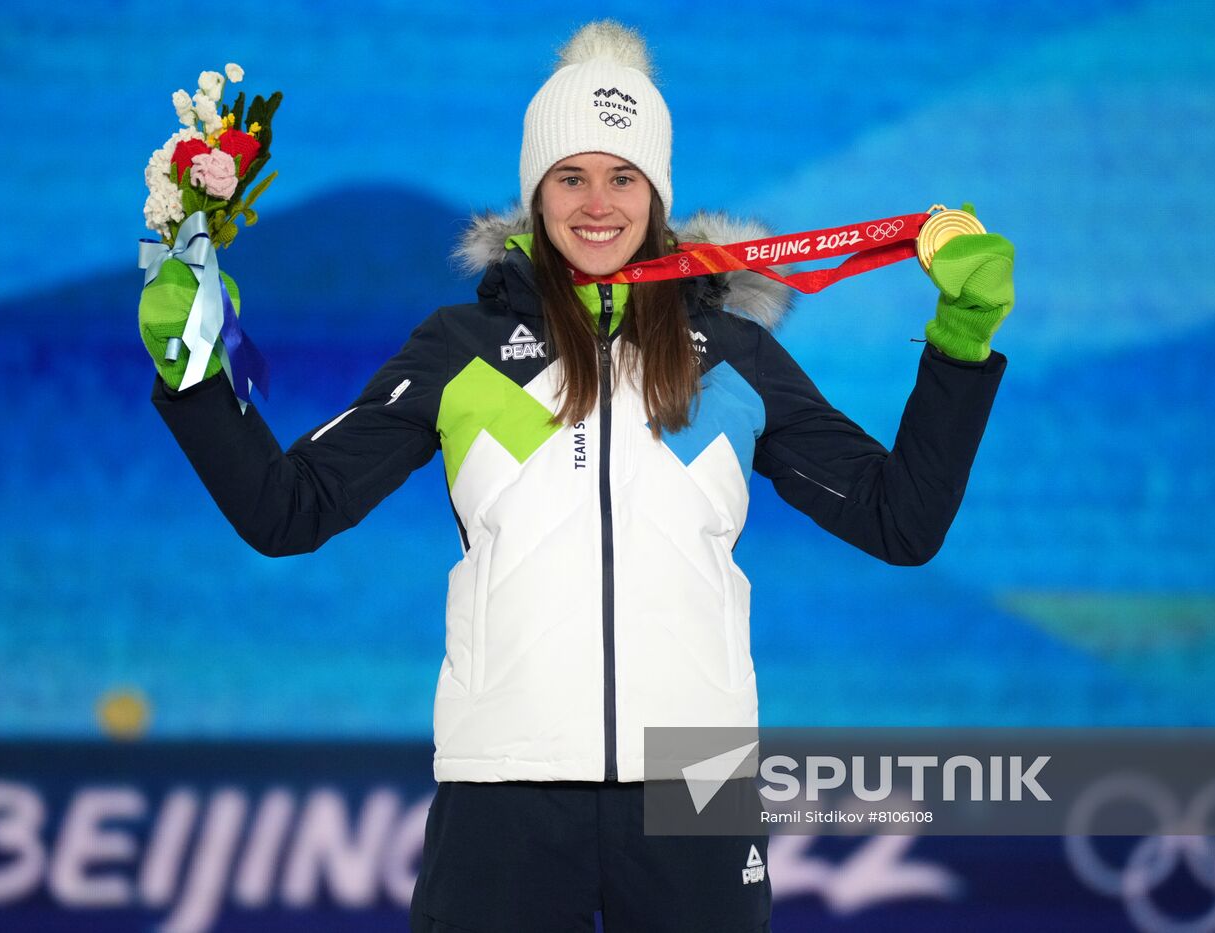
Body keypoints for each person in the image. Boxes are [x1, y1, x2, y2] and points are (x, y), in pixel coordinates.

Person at [140, 20, 1013, 933]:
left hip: (698, 775)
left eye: (623, 176)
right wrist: (195, 378)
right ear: (536, 191)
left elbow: (899, 521)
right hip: (503, 782)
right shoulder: (462, 351)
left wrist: (959, 343)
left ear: (657, 192)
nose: (597, 204)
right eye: (571, 176)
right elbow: (291, 509)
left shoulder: (730, 355)